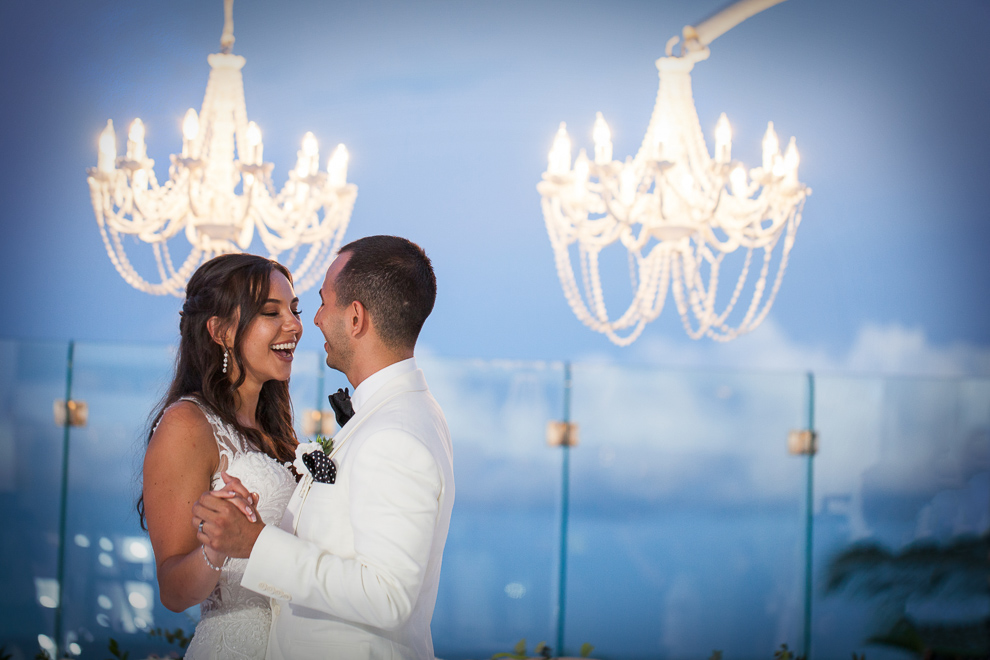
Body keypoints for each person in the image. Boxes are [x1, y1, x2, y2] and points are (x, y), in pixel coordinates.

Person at [193, 235, 455, 660]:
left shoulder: (394, 433)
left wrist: (256, 543)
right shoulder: (397, 415)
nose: (312, 320)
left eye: (322, 302)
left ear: (355, 318)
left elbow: (387, 595)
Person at [142, 253, 303, 659]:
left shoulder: (277, 431)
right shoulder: (187, 425)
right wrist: (215, 550)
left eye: (294, 310)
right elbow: (174, 591)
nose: (295, 325)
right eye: (272, 312)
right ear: (221, 331)